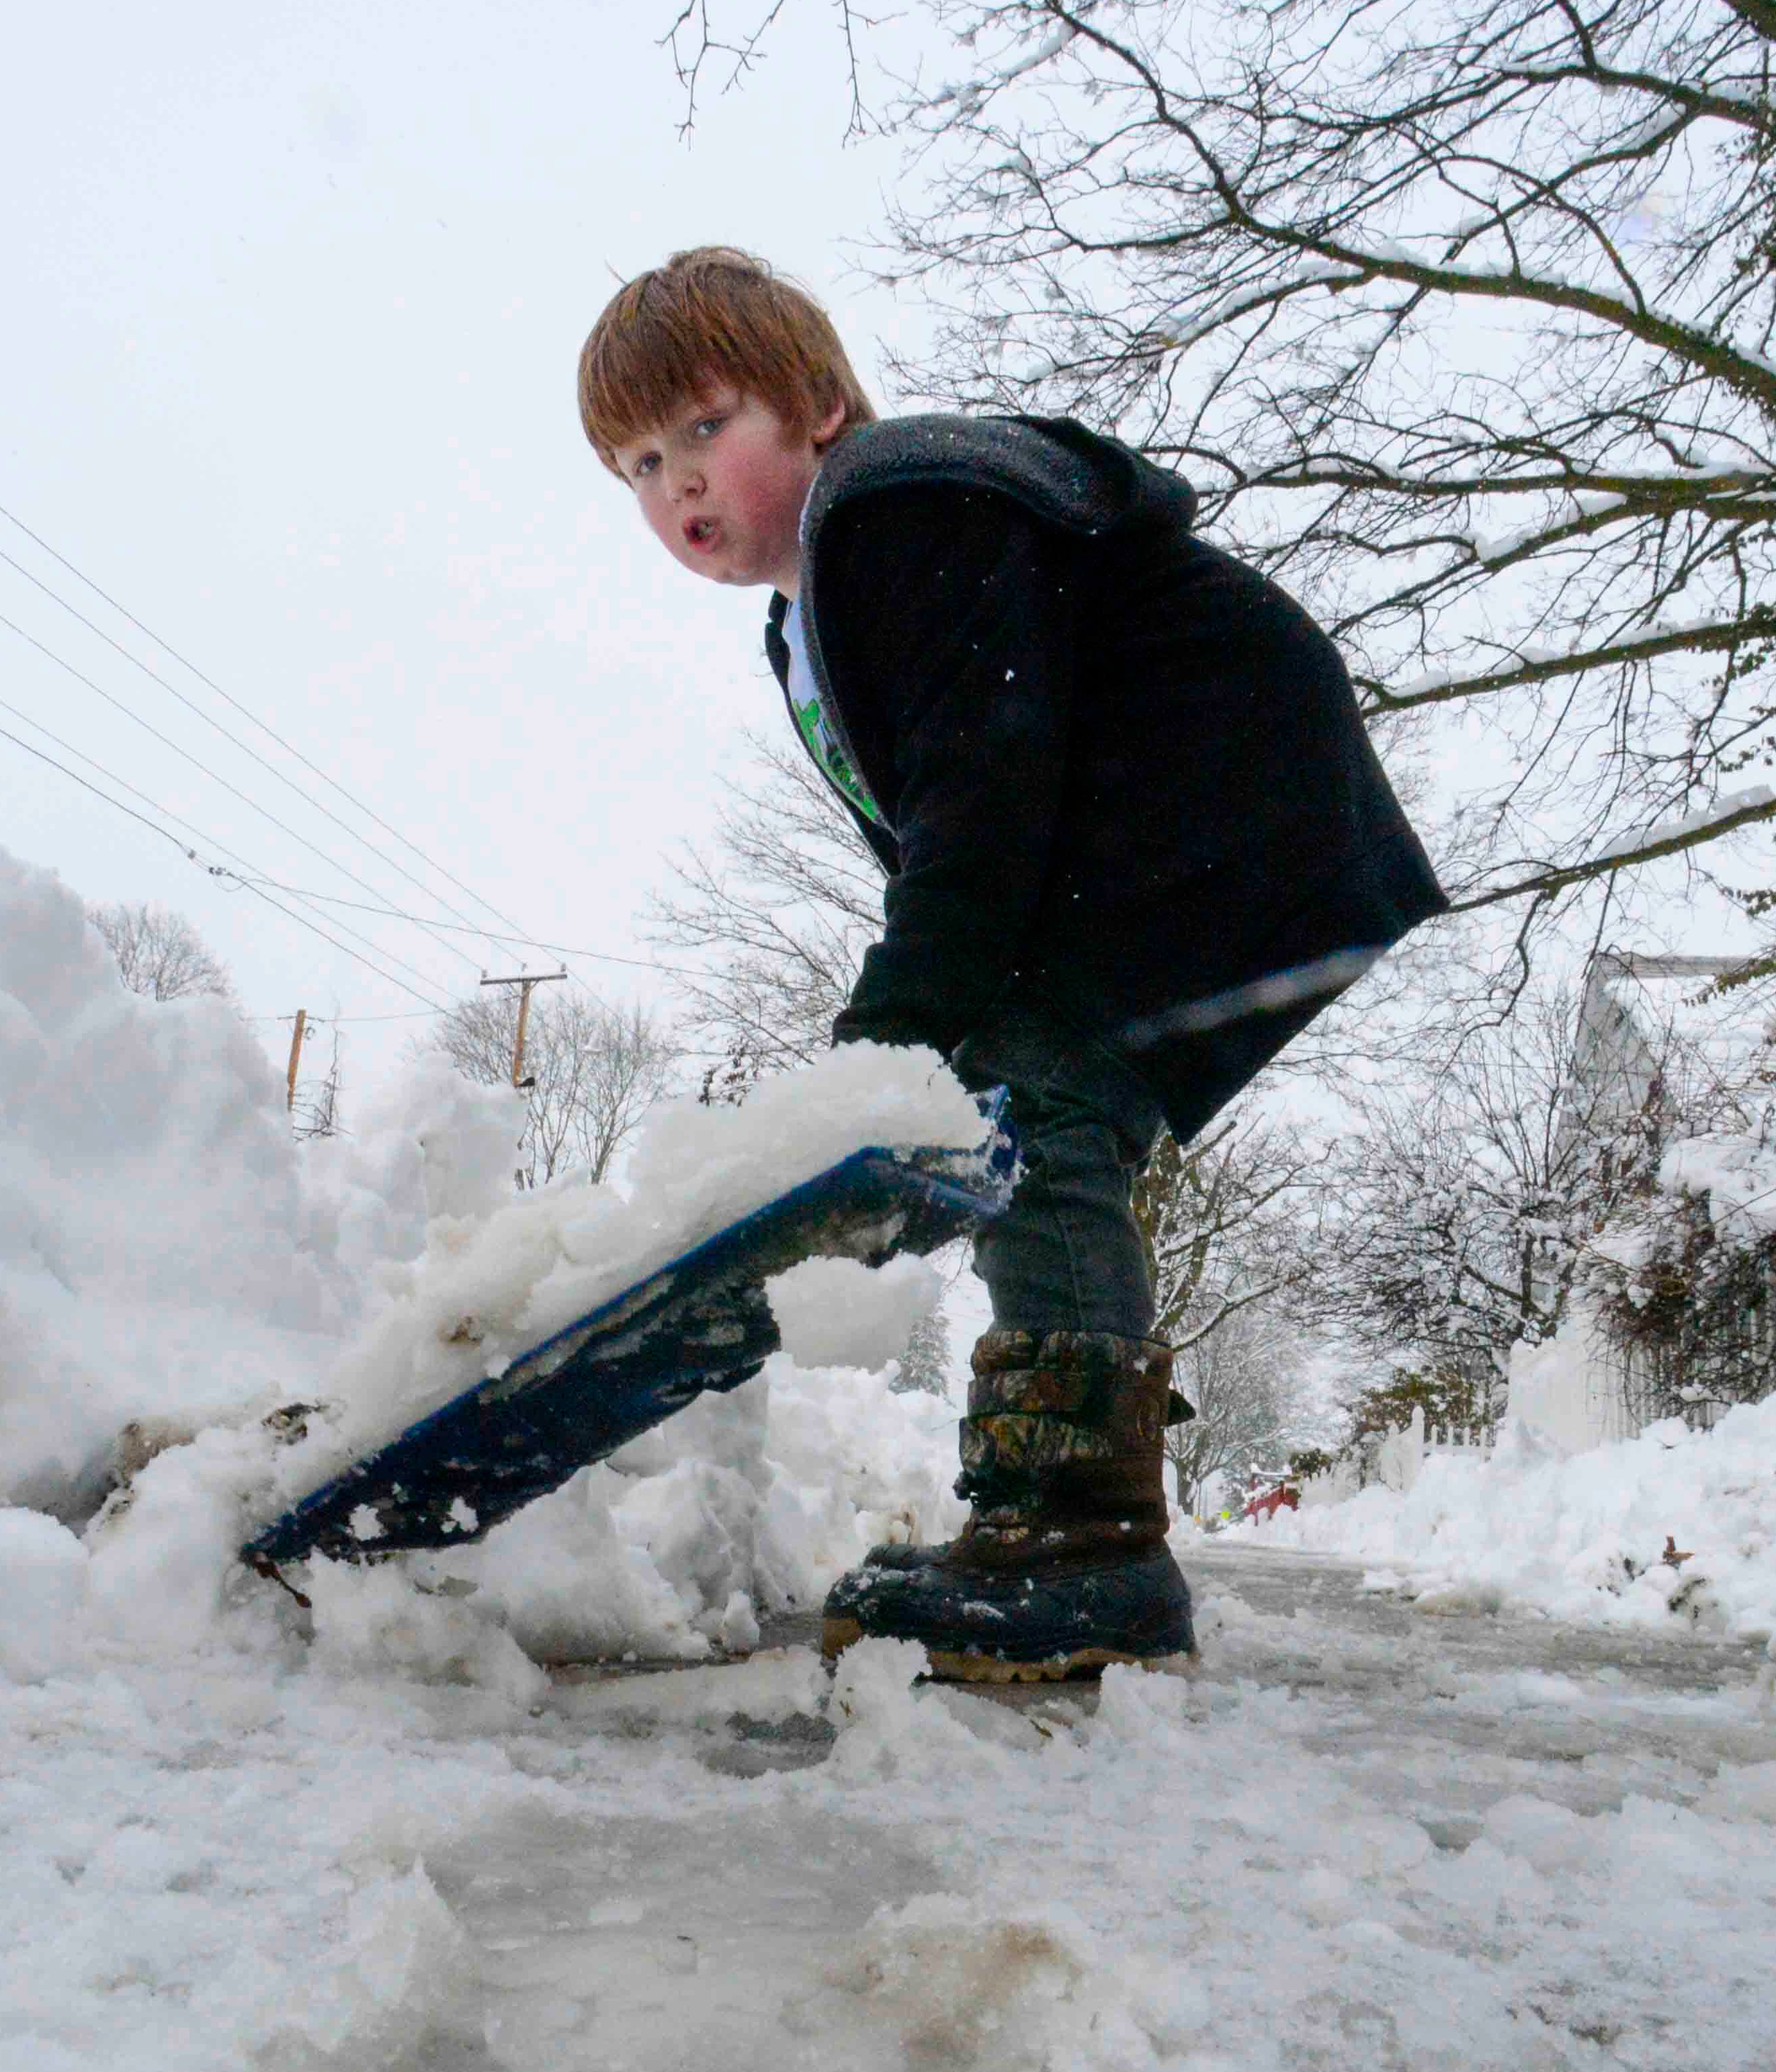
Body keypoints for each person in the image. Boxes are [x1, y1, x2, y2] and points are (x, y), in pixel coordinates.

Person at [578, 248, 1443, 1682]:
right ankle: (1062, 1517)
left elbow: (979, 797)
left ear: (815, 403)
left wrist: (892, 1033)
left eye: (704, 428)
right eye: (635, 465)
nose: (674, 485)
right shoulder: (811, 612)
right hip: (1192, 839)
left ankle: (1078, 1540)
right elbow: (948, 830)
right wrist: (918, 1052)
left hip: (1211, 795)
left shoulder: (893, 510)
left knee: (1036, 1108)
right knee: (1017, 1097)